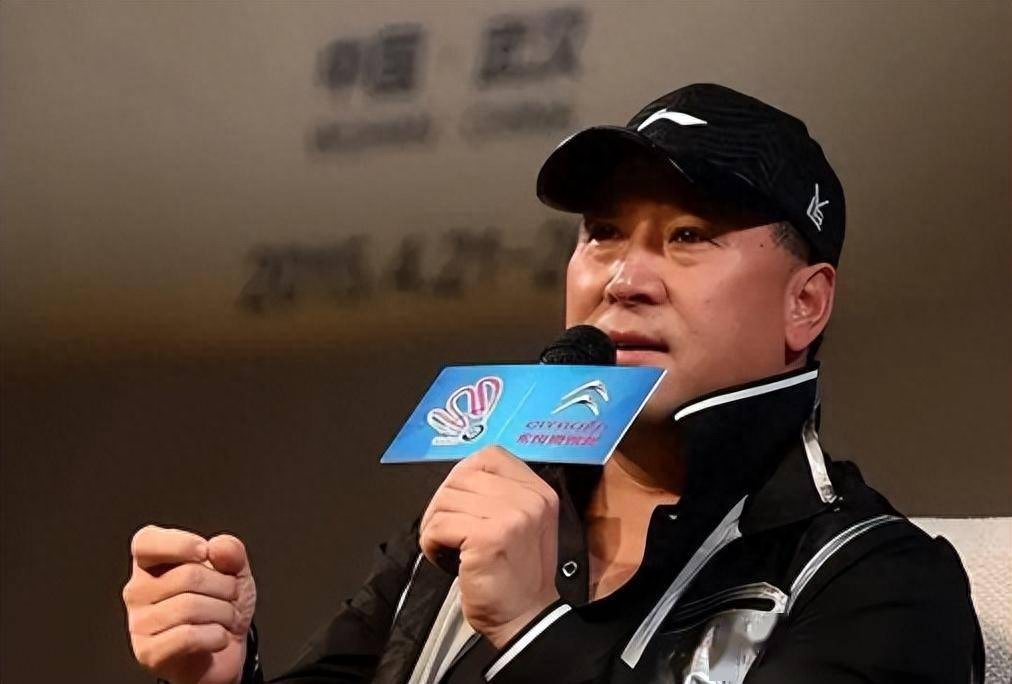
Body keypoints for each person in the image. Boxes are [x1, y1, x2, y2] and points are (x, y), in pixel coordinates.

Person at [122, 83, 984, 684]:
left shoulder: (883, 586)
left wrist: (535, 634)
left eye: (688, 236)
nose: (625, 279)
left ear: (806, 303)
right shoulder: (485, 514)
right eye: (603, 233)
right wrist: (221, 675)